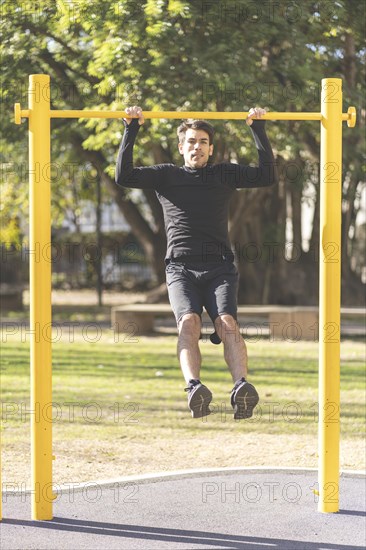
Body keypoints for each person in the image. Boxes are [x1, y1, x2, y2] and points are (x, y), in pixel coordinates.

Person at [115, 106, 278, 419]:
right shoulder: (167, 176)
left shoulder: (223, 174)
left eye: (203, 141)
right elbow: (124, 176)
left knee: (227, 324)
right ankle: (194, 388)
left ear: (210, 148)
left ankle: (241, 387)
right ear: (181, 146)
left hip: (220, 267)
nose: (197, 146)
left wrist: (258, 128)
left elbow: (266, 176)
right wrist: (130, 128)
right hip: (180, 268)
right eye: (191, 141)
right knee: (188, 322)